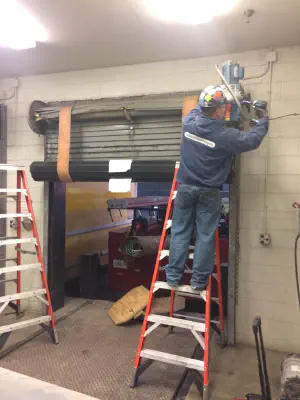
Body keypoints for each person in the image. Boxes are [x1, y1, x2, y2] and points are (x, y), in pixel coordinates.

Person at [166, 85, 269, 291]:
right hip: (209, 191)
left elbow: (197, 109)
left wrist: (216, 95)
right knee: (204, 236)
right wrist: (263, 121)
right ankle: (198, 282)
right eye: (223, 107)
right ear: (219, 110)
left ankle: (173, 277)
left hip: (185, 188)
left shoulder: (189, 123)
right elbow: (253, 140)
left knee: (179, 233)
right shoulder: (225, 135)